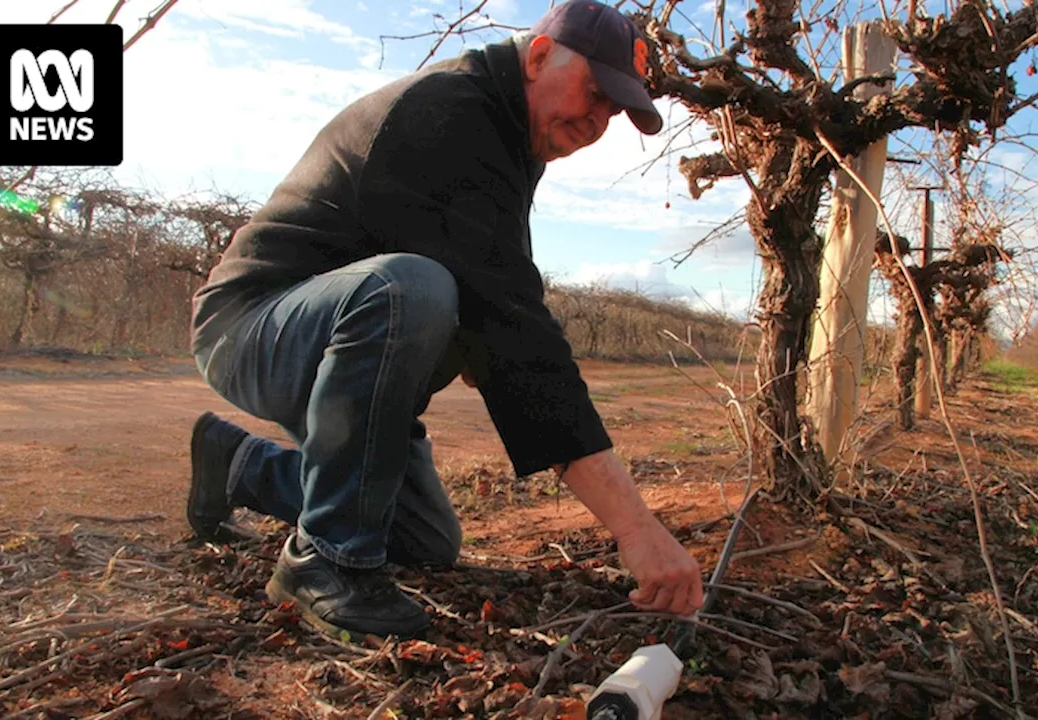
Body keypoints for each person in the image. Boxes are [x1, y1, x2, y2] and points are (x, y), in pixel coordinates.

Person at [185, 0, 704, 642]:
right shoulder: (451, 115)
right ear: (539, 56)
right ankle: (324, 561)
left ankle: (240, 465)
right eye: (594, 92)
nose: (598, 120)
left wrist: (484, 341)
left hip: (329, 333)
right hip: (251, 325)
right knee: (412, 288)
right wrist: (635, 528)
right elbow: (515, 331)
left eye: (613, 111)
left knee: (424, 540)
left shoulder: (510, 137)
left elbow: (503, 306)